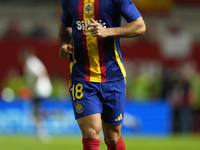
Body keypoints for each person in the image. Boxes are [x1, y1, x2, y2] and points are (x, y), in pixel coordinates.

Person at [58, 0, 146, 149]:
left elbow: (140, 26)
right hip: (82, 76)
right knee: (91, 132)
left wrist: (108, 31)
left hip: (113, 76)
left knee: (112, 137)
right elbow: (66, 25)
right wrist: (62, 44)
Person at [18, 48, 53, 142]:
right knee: (36, 111)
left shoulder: (30, 63)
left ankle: (41, 132)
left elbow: (39, 74)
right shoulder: (35, 62)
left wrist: (31, 87)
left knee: (36, 111)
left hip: (40, 90)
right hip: (42, 90)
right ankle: (39, 131)